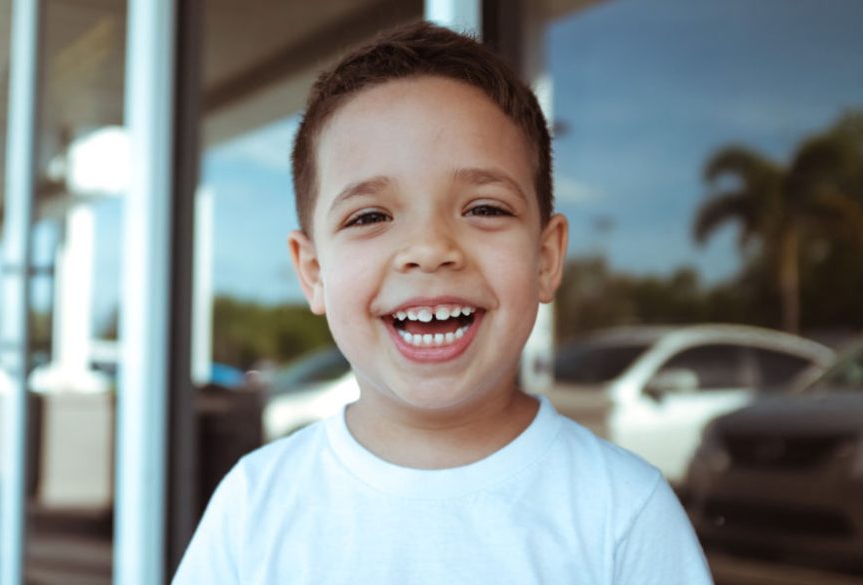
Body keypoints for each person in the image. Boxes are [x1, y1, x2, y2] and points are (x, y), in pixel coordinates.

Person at [173, 21, 713, 584]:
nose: (430, 250)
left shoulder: (621, 512)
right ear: (314, 273)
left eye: (485, 208)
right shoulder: (254, 506)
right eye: (370, 216)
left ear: (546, 258)